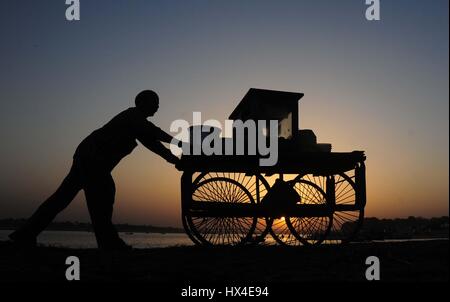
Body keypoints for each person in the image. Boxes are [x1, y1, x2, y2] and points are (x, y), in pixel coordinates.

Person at [9, 90, 181, 250]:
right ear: (144, 103)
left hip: (88, 157)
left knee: (63, 198)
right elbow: (153, 136)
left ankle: (26, 234)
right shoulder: (133, 116)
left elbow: (152, 140)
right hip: (93, 159)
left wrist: (172, 156)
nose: (158, 106)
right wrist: (178, 146)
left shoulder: (136, 120)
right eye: (155, 102)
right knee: (101, 196)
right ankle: (108, 242)